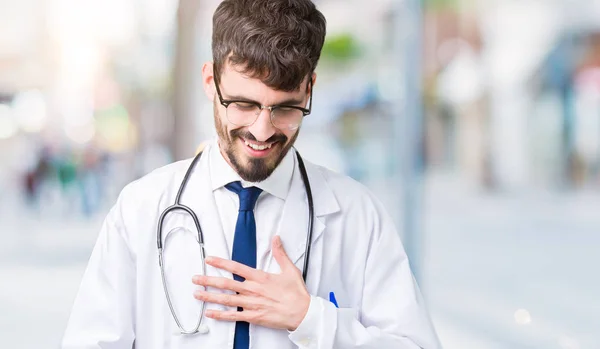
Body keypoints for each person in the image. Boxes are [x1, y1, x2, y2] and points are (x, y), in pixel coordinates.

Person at [62, 0, 441, 348]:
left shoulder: (357, 216)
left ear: (310, 88)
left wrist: (312, 320)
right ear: (211, 81)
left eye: (286, 108)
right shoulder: (142, 209)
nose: (262, 130)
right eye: (244, 104)